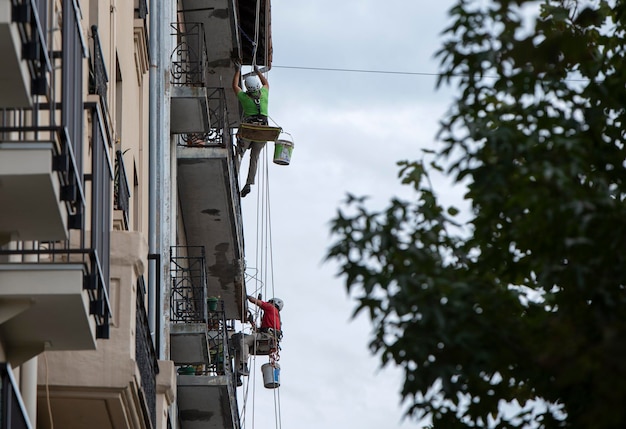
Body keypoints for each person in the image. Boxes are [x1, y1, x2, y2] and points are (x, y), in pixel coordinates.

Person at [232, 62, 270, 198]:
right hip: (263, 132)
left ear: (247, 88)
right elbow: (266, 83)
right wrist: (258, 71)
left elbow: (235, 86)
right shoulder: (264, 94)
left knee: (240, 153)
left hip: (249, 130)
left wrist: (238, 71)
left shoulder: (244, 97)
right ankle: (249, 183)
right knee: (254, 157)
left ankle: (234, 174)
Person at [233, 295, 283, 384]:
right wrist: (252, 322)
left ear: (273, 303)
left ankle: (243, 366)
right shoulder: (274, 317)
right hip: (266, 341)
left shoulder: (271, 308)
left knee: (243, 341)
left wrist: (246, 296)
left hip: (265, 338)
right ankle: (237, 376)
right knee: (240, 349)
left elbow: (256, 302)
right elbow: (258, 331)